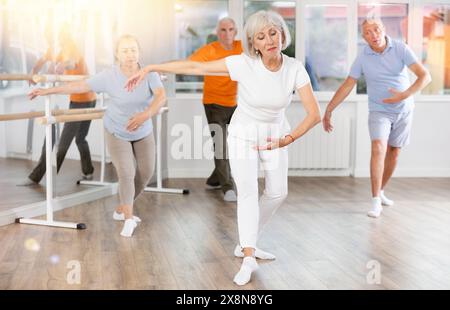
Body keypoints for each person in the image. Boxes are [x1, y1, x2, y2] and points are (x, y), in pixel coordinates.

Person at [125, 11, 321, 285]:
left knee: (278, 192)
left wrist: (286, 139)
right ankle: (248, 257)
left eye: (273, 33)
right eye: (261, 37)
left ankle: (246, 241)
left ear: (282, 33)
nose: (269, 40)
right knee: (249, 192)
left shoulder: (294, 68)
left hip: (275, 136)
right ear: (253, 43)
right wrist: (151, 68)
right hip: (243, 134)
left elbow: (314, 115)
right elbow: (196, 68)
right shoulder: (243, 63)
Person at [28, 35, 166, 237]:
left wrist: (146, 114)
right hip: (117, 131)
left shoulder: (149, 74)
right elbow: (81, 86)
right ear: (117, 54)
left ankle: (122, 208)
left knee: (145, 173)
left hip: (143, 130)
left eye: (134, 50)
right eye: (125, 51)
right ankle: (128, 219)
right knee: (126, 173)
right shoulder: (109, 76)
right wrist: (49, 90)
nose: (130, 55)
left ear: (140, 53)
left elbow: (161, 96)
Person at [323, 18, 431, 218]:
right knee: (378, 148)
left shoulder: (400, 48)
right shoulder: (363, 57)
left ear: (383, 29)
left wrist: (403, 95)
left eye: (376, 29)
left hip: (404, 109)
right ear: (363, 37)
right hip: (379, 110)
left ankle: (381, 191)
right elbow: (348, 84)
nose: (373, 34)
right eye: (367, 32)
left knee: (394, 151)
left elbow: (424, 76)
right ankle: (375, 201)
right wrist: (329, 109)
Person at [19, 24, 96, 185]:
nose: (49, 42)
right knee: (80, 138)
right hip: (80, 99)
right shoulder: (54, 49)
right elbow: (42, 61)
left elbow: (72, 63)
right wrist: (33, 71)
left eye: (50, 38)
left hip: (84, 99)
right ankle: (88, 172)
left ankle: (38, 177)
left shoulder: (71, 46)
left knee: (63, 143)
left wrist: (63, 65)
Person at [189, 17, 242, 202]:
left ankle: (215, 179)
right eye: (222, 30)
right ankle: (228, 187)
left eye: (230, 29)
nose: (227, 34)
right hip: (213, 105)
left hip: (234, 105)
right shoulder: (210, 50)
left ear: (236, 31)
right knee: (220, 145)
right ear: (217, 32)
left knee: (234, 147)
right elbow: (190, 64)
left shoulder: (241, 48)